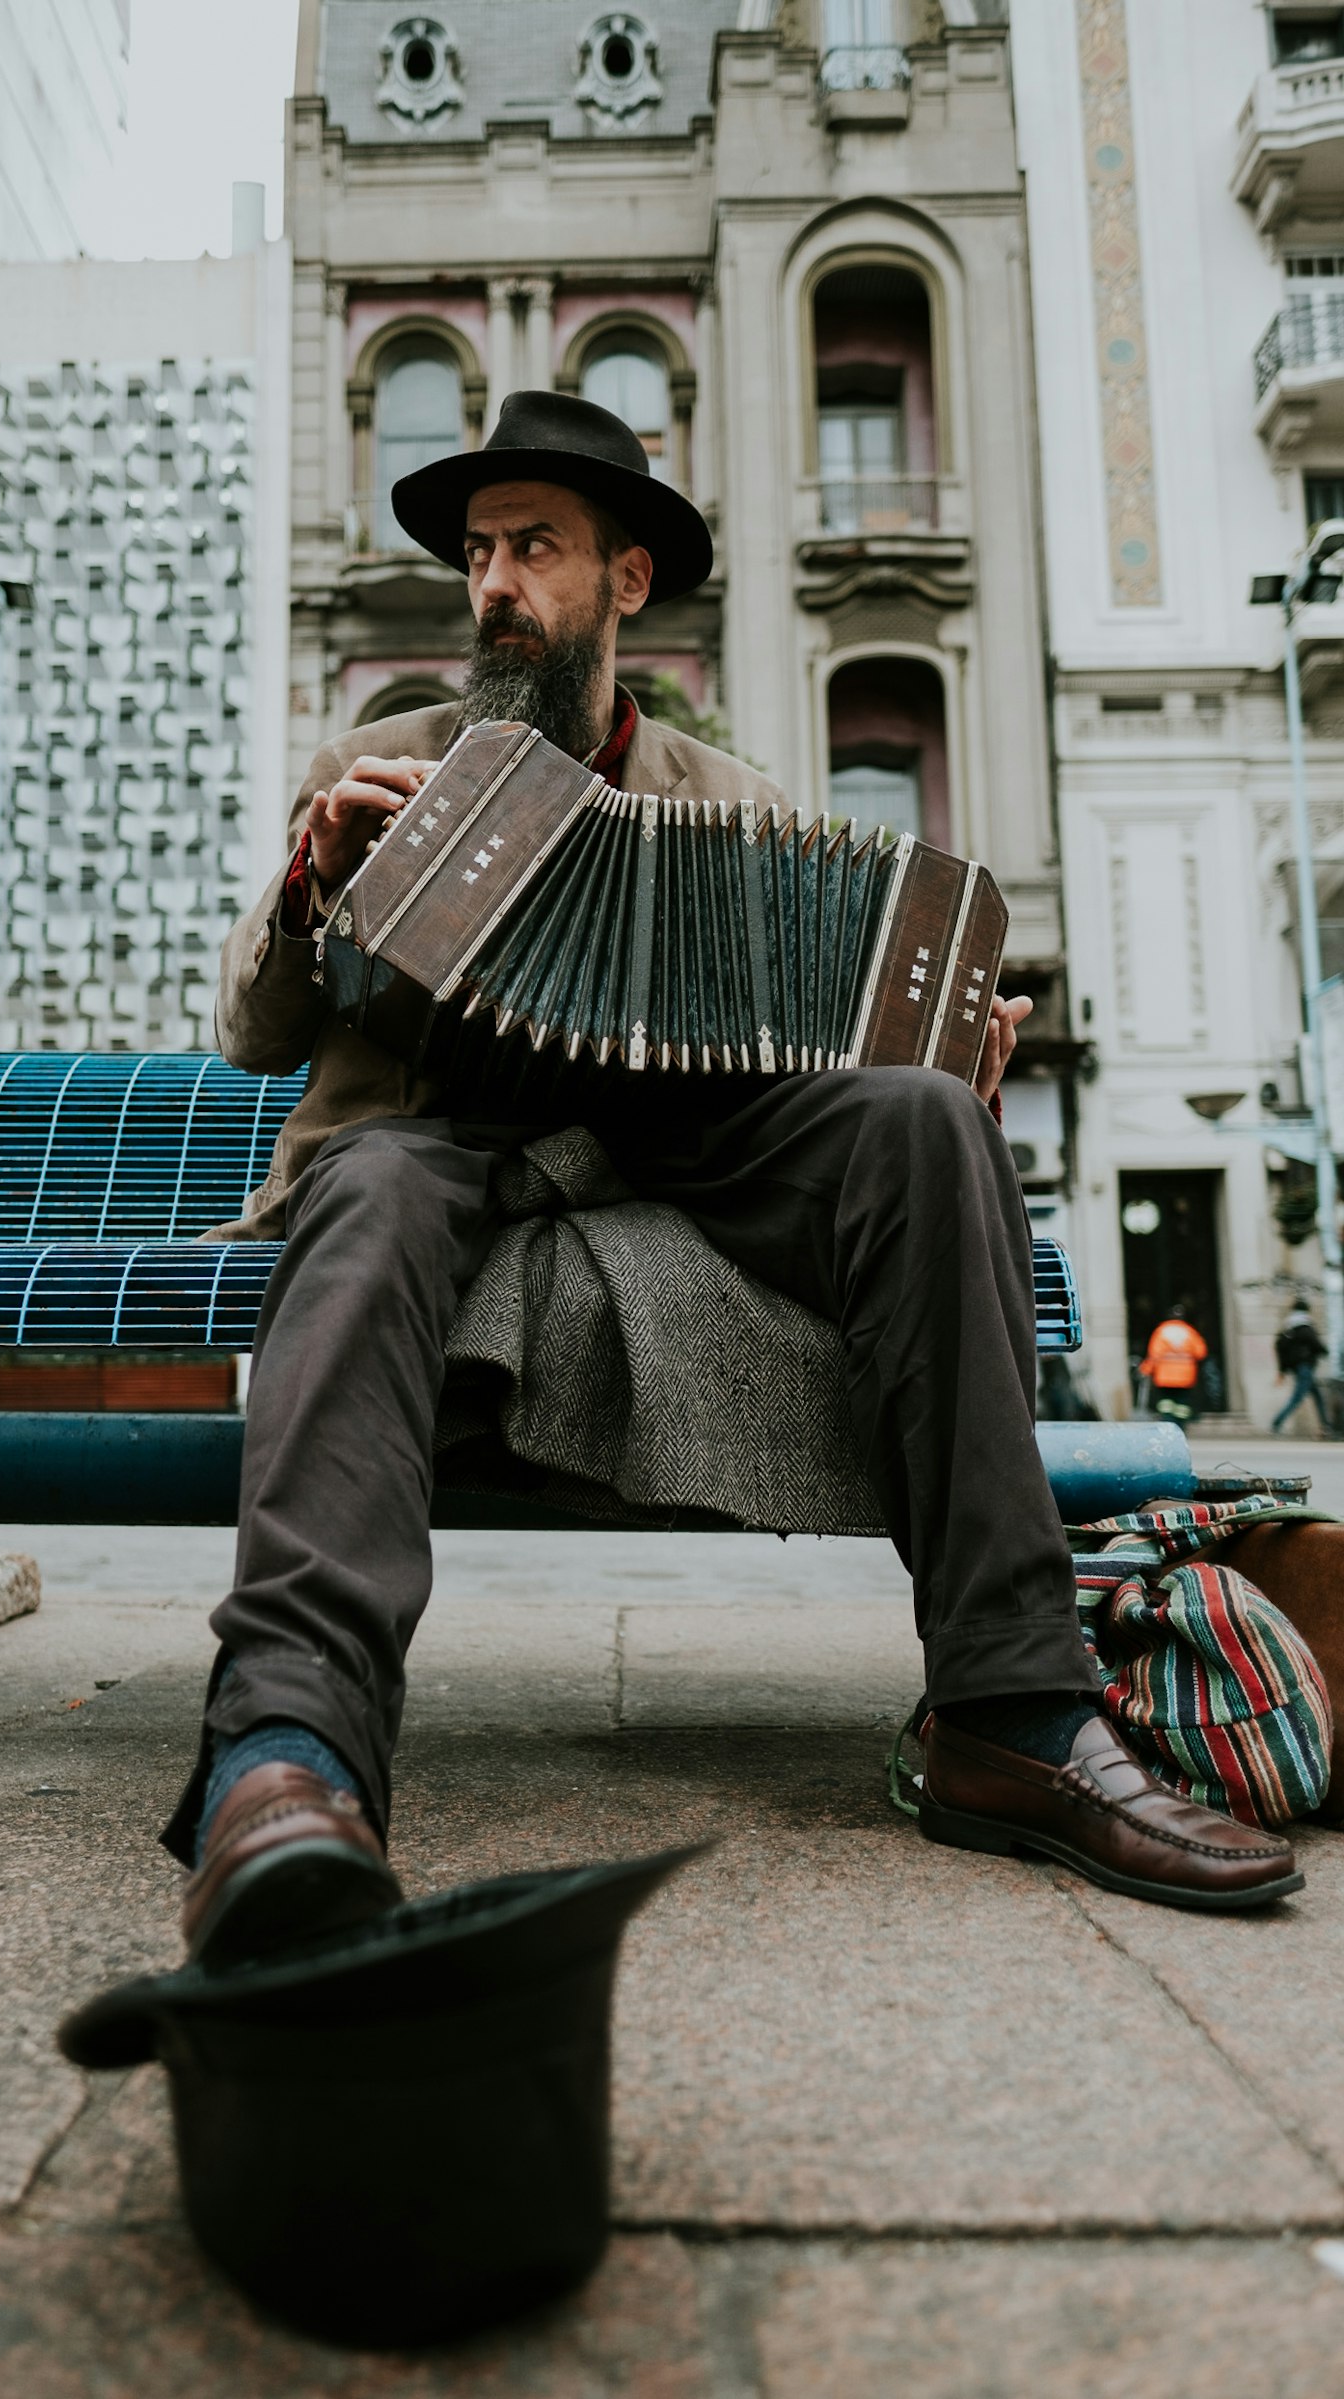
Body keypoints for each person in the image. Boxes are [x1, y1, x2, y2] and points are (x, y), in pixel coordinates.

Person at [163, 391, 1299, 1954]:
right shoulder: (378, 765)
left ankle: (1014, 1707)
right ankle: (285, 1755)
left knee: (923, 1122)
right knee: (362, 1193)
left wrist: (936, 1062)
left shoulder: (735, 804)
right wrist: (312, 889)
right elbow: (251, 1026)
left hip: (677, 1140)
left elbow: (811, 1051)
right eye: (480, 549)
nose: (493, 581)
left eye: (536, 547)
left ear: (626, 583)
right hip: (441, 1134)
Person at [1138, 1303, 1209, 1425]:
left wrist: (1145, 1369)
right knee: (1182, 1403)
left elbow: (1154, 1354)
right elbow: (1201, 1352)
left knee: (1166, 1402)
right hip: (1185, 1376)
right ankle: (1180, 1425)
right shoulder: (1190, 1331)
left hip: (1165, 1375)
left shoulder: (1161, 1331)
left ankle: (1168, 1422)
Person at [1273, 1296, 1329, 1435]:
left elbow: (1280, 1348)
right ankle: (1277, 1422)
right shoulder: (1305, 1327)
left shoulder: (1288, 1328)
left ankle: (1325, 1424)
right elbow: (1317, 1345)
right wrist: (1324, 1351)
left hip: (1297, 1368)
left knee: (1317, 1396)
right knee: (1297, 1397)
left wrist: (1283, 1370)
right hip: (1305, 1367)